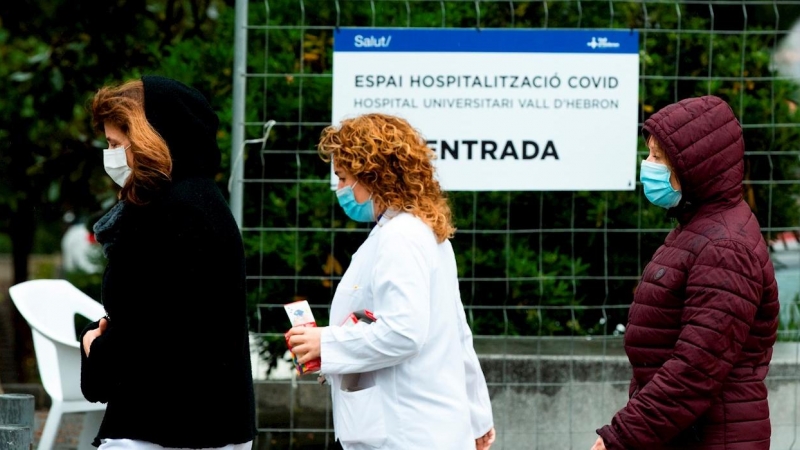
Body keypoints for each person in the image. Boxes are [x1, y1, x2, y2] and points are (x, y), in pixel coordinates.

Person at [286, 113, 496, 450]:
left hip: (406, 430)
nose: (339, 189)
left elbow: (403, 333)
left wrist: (325, 344)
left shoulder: (400, 237)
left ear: (374, 175)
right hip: (428, 426)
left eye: (343, 178)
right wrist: (477, 415)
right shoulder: (420, 231)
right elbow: (457, 333)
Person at [592, 95, 779, 449]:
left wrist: (619, 439)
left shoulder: (724, 248)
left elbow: (694, 370)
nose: (647, 165)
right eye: (649, 154)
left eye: (658, 158)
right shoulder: (699, 228)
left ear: (694, 166)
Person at [79, 75, 256, 449]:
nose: (110, 155)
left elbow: (145, 324)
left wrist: (96, 348)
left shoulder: (163, 211)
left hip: (160, 423)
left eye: (115, 144)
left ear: (147, 138)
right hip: (214, 419)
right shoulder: (204, 200)